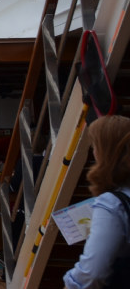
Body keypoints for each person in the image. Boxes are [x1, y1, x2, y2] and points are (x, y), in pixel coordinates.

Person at [64, 114, 130, 288]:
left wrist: (70, 284)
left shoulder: (111, 204)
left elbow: (92, 273)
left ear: (105, 151)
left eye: (95, 146)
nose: (93, 152)